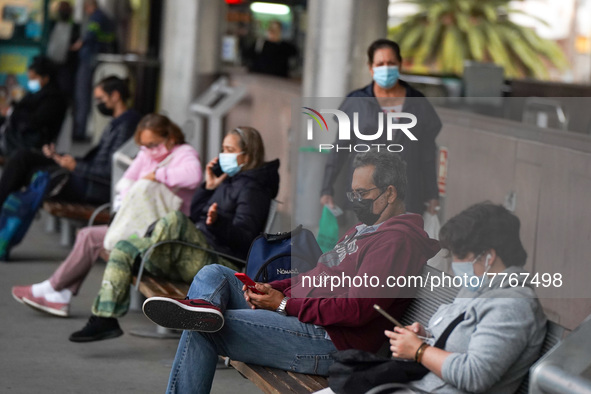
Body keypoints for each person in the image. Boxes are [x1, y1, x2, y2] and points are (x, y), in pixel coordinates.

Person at [141, 150, 440, 394]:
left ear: (389, 193)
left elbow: (357, 309)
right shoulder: (364, 230)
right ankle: (204, 310)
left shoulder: (396, 242)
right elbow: (319, 274)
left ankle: (204, 315)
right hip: (306, 318)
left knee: (206, 328)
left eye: (362, 193)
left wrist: (284, 304)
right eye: (352, 194)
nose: (355, 201)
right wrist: (275, 288)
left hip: (331, 342)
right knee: (214, 274)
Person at [69, 127, 280, 342]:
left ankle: (143, 255)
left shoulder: (254, 189)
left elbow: (245, 238)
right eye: (223, 148)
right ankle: (104, 318)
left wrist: (218, 223)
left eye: (229, 149)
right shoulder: (229, 180)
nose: (223, 155)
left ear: (248, 154)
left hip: (219, 262)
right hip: (196, 251)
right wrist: (208, 187)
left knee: (174, 219)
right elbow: (197, 214)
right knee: (123, 248)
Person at [11, 114, 202, 317]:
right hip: (139, 225)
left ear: (170, 137)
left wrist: (157, 174)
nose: (149, 150)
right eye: (144, 145)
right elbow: (126, 181)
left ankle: (54, 290)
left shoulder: (184, 153)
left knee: (91, 237)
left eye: (153, 144)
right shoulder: (147, 154)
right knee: (88, 235)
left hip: (160, 234)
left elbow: (194, 176)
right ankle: (59, 293)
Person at [380, 203, 547, 393]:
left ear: (488, 257)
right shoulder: (477, 288)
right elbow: (455, 344)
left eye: (460, 256)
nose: (454, 265)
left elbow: (474, 375)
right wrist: (424, 337)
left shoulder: (513, 306)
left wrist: (419, 350)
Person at [320, 39, 442, 216]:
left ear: (399, 65)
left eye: (391, 63)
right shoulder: (356, 102)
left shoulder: (418, 104)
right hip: (364, 198)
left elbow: (428, 155)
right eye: (380, 64)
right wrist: (326, 189)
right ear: (371, 67)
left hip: (406, 200)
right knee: (364, 243)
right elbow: (339, 150)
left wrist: (432, 194)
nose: (386, 68)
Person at [0, 76, 140, 209]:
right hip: (85, 175)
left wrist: (75, 166)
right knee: (24, 157)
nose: (98, 104)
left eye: (100, 99)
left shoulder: (127, 125)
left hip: (92, 186)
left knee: (32, 173)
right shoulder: (117, 123)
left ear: (115, 96)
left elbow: (111, 170)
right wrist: (59, 157)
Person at [0, 56, 67, 156]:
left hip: (34, 142)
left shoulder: (53, 98)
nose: (31, 82)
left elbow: (35, 122)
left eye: (34, 78)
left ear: (46, 78)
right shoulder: (35, 93)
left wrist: (11, 112)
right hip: (22, 135)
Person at [71, 0, 115, 141]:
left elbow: (90, 35)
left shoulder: (96, 17)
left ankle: (80, 131)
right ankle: (82, 129)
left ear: (89, 6)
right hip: (95, 59)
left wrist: (80, 43)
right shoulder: (104, 17)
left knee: (82, 94)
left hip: (90, 59)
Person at [46, 1, 81, 100]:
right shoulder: (52, 25)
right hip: (52, 65)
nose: (63, 12)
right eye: (62, 10)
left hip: (66, 67)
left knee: (64, 92)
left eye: (65, 10)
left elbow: (76, 46)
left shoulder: (75, 28)